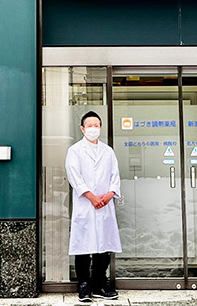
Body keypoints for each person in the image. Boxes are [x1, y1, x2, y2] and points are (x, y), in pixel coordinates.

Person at [65, 111, 122, 303]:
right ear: (82, 128)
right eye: (89, 125)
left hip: (104, 205)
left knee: (104, 246)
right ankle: (84, 285)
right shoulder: (75, 150)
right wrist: (91, 197)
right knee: (83, 245)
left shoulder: (108, 151)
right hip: (85, 205)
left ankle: (99, 284)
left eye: (96, 125)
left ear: (100, 127)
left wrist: (109, 195)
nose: (93, 129)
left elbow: (115, 176)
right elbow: (74, 177)